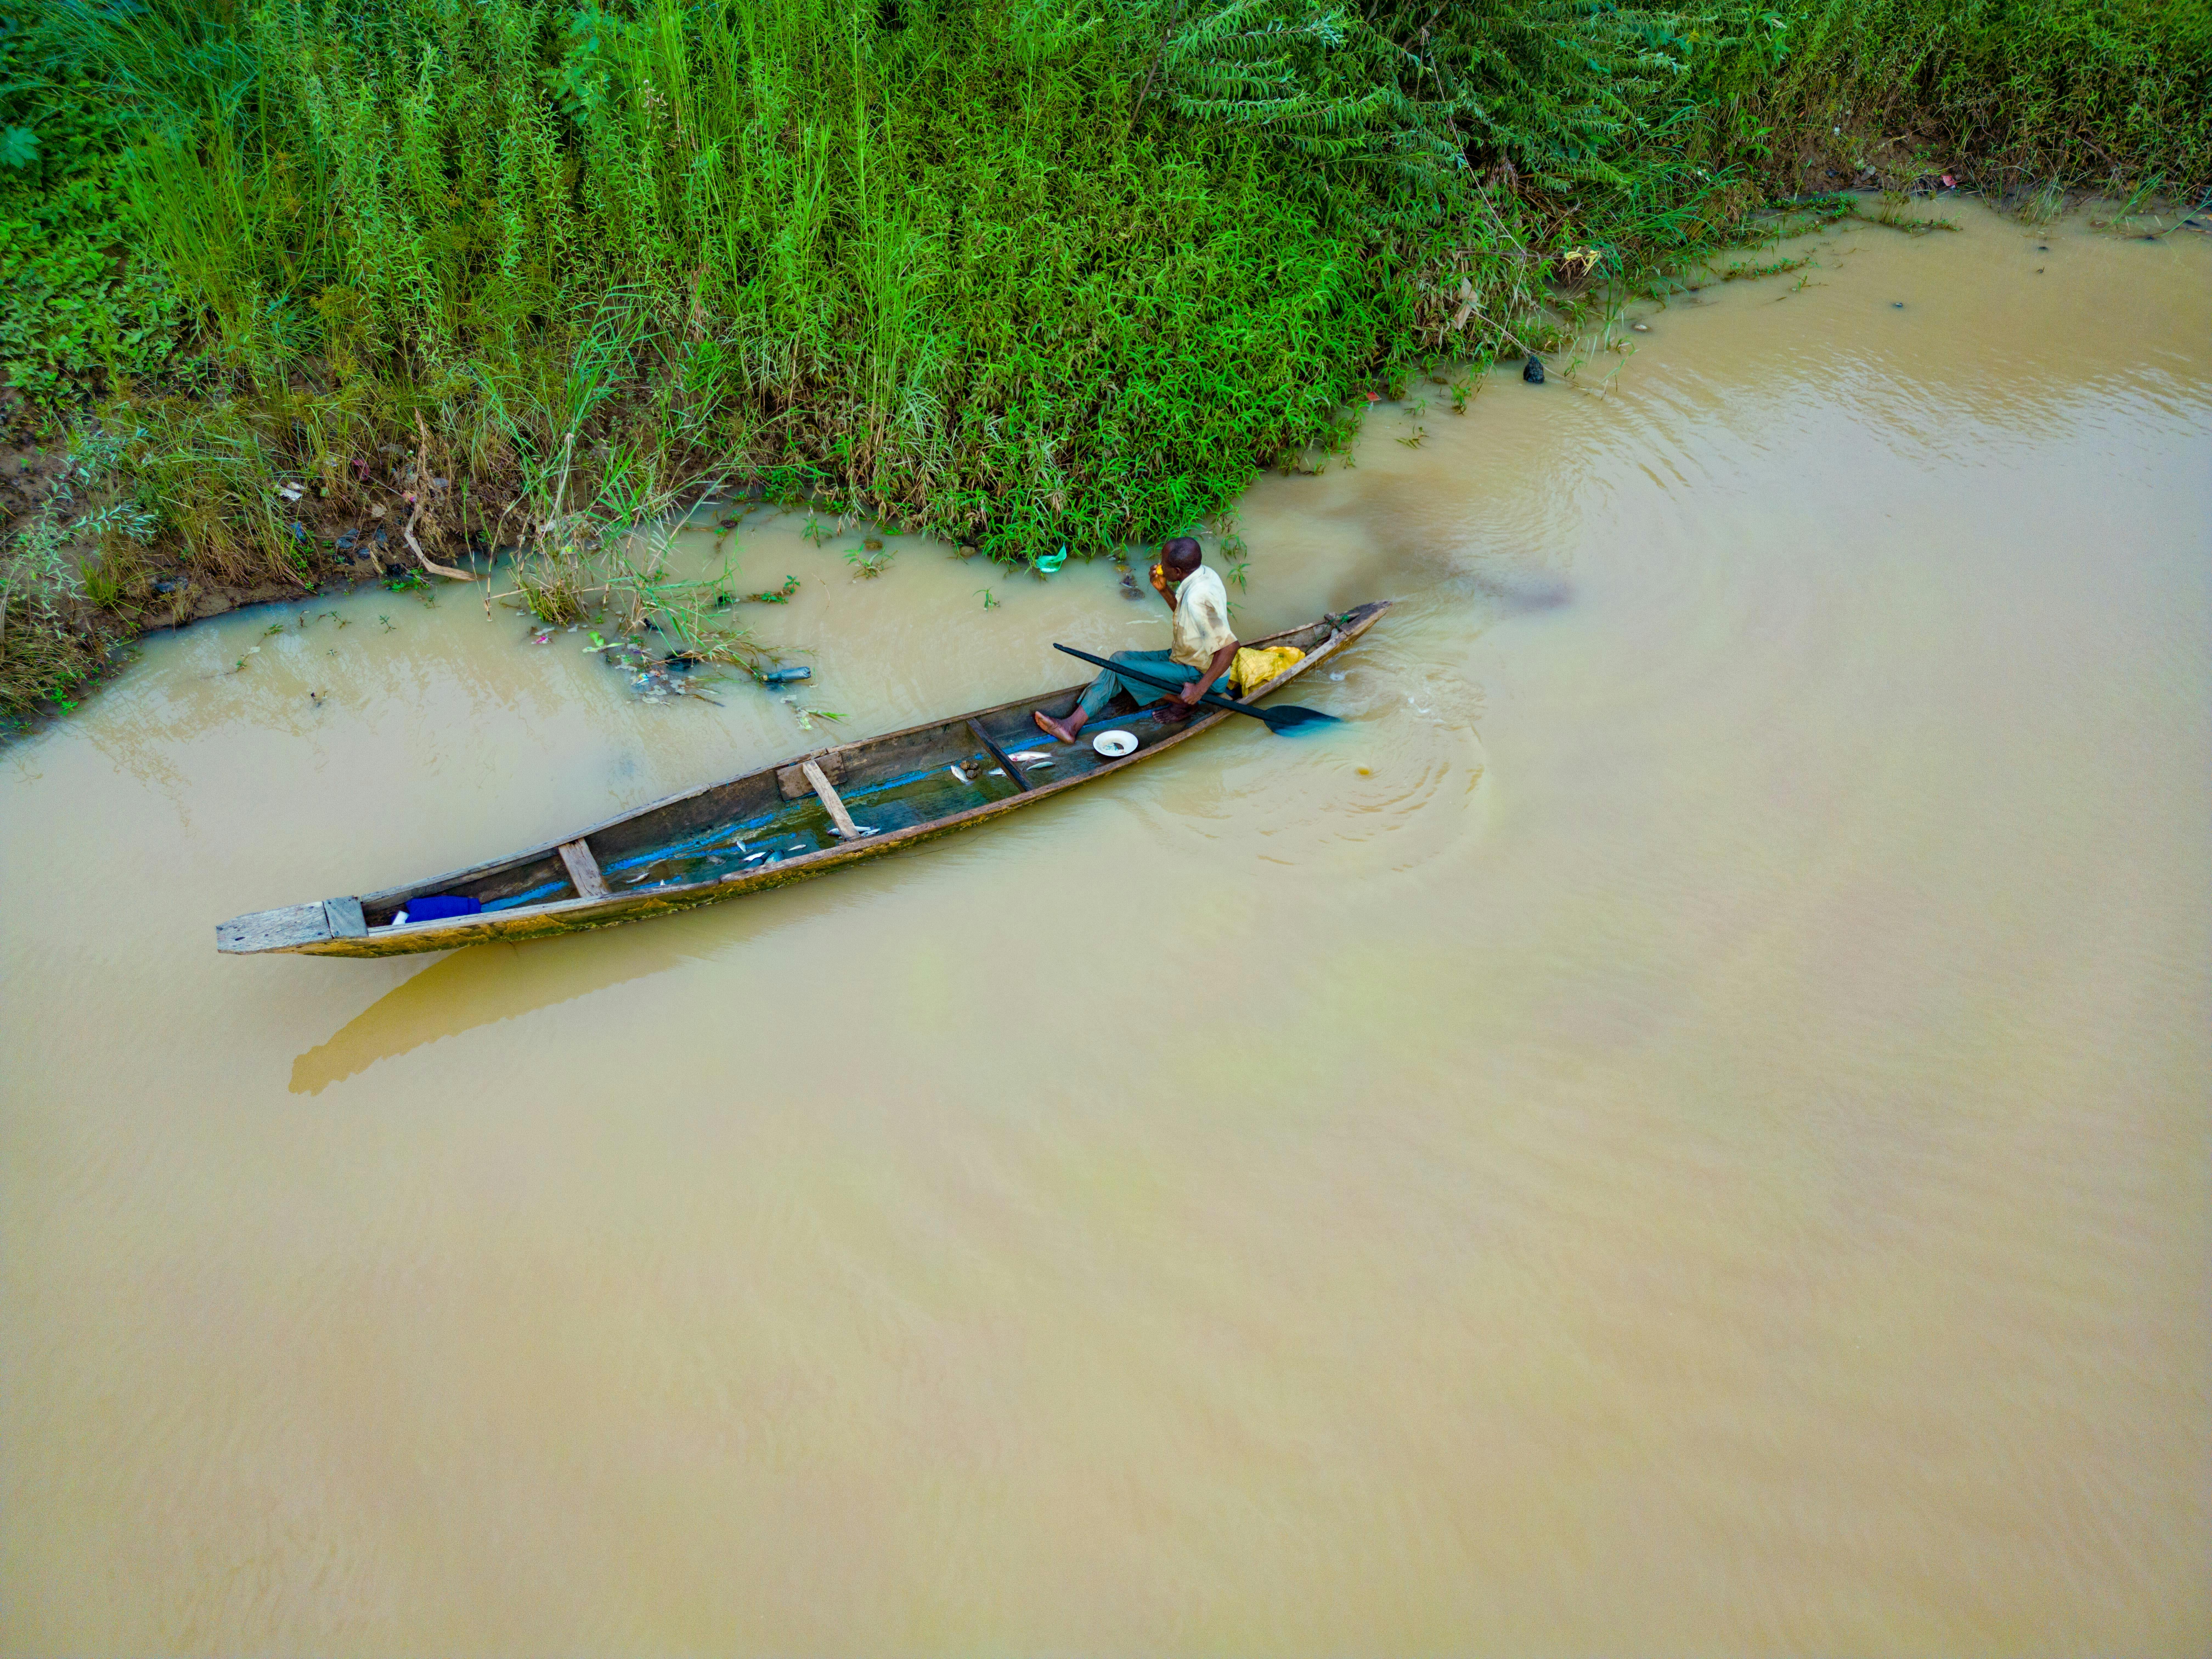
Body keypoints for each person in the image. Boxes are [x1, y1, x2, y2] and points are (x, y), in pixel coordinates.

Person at [1035, 537, 1237, 743]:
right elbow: (1186, 615)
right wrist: (1164, 590)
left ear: (1177, 571)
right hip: (1184, 657)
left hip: (1200, 673)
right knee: (1118, 660)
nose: (1159, 565)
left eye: (1164, 562)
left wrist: (1198, 690)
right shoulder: (1204, 574)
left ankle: (1186, 703)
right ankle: (1071, 725)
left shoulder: (1197, 599)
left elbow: (1230, 648)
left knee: (1125, 672)